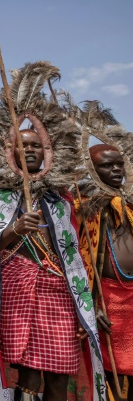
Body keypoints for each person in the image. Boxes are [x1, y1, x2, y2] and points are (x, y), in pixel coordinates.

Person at [0, 62, 104, 401]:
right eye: (23, 144)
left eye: (35, 145)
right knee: (29, 376)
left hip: (59, 291)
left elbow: (72, 257)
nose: (29, 149)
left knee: (60, 375)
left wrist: (81, 306)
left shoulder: (60, 200)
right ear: (10, 150)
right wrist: (15, 228)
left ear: (47, 151)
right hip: (18, 288)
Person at [74, 101, 133, 399]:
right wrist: (91, 307)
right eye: (107, 166)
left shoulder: (131, 208)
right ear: (92, 170)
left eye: (119, 164)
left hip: (132, 303)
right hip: (105, 303)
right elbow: (75, 262)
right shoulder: (82, 210)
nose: (116, 171)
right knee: (108, 376)